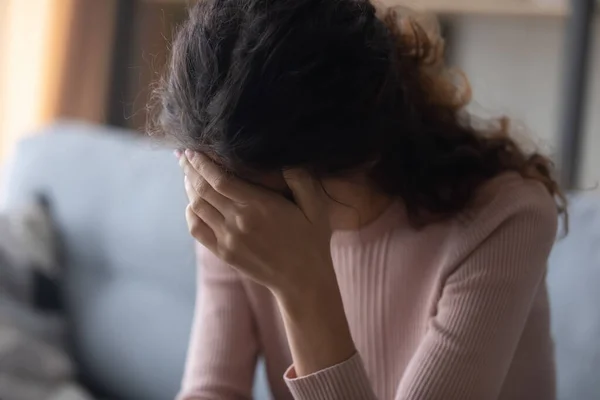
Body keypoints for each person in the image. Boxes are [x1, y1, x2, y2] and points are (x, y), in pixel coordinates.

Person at [151, 0, 567, 399]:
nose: (242, 217)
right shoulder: (236, 195)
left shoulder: (504, 220)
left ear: (362, 152)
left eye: (266, 199)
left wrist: (305, 289)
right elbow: (212, 391)